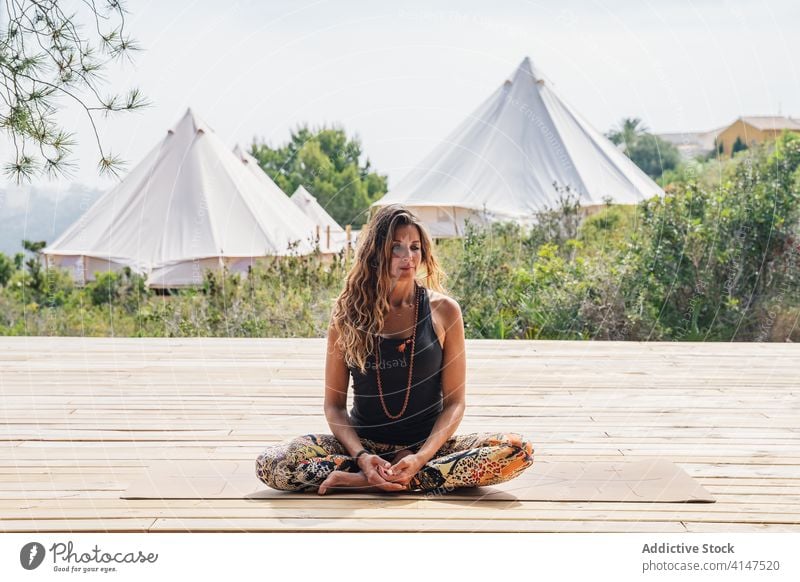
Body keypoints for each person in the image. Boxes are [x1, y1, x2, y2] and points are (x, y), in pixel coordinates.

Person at [255, 205, 534, 495]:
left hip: (428, 448)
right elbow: (334, 405)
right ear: (376, 255)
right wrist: (362, 457)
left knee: (517, 450)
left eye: (414, 247)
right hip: (363, 447)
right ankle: (387, 475)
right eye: (396, 248)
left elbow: (455, 403)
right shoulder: (347, 316)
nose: (408, 257)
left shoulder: (444, 311)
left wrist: (420, 457)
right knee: (272, 465)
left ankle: (372, 480)